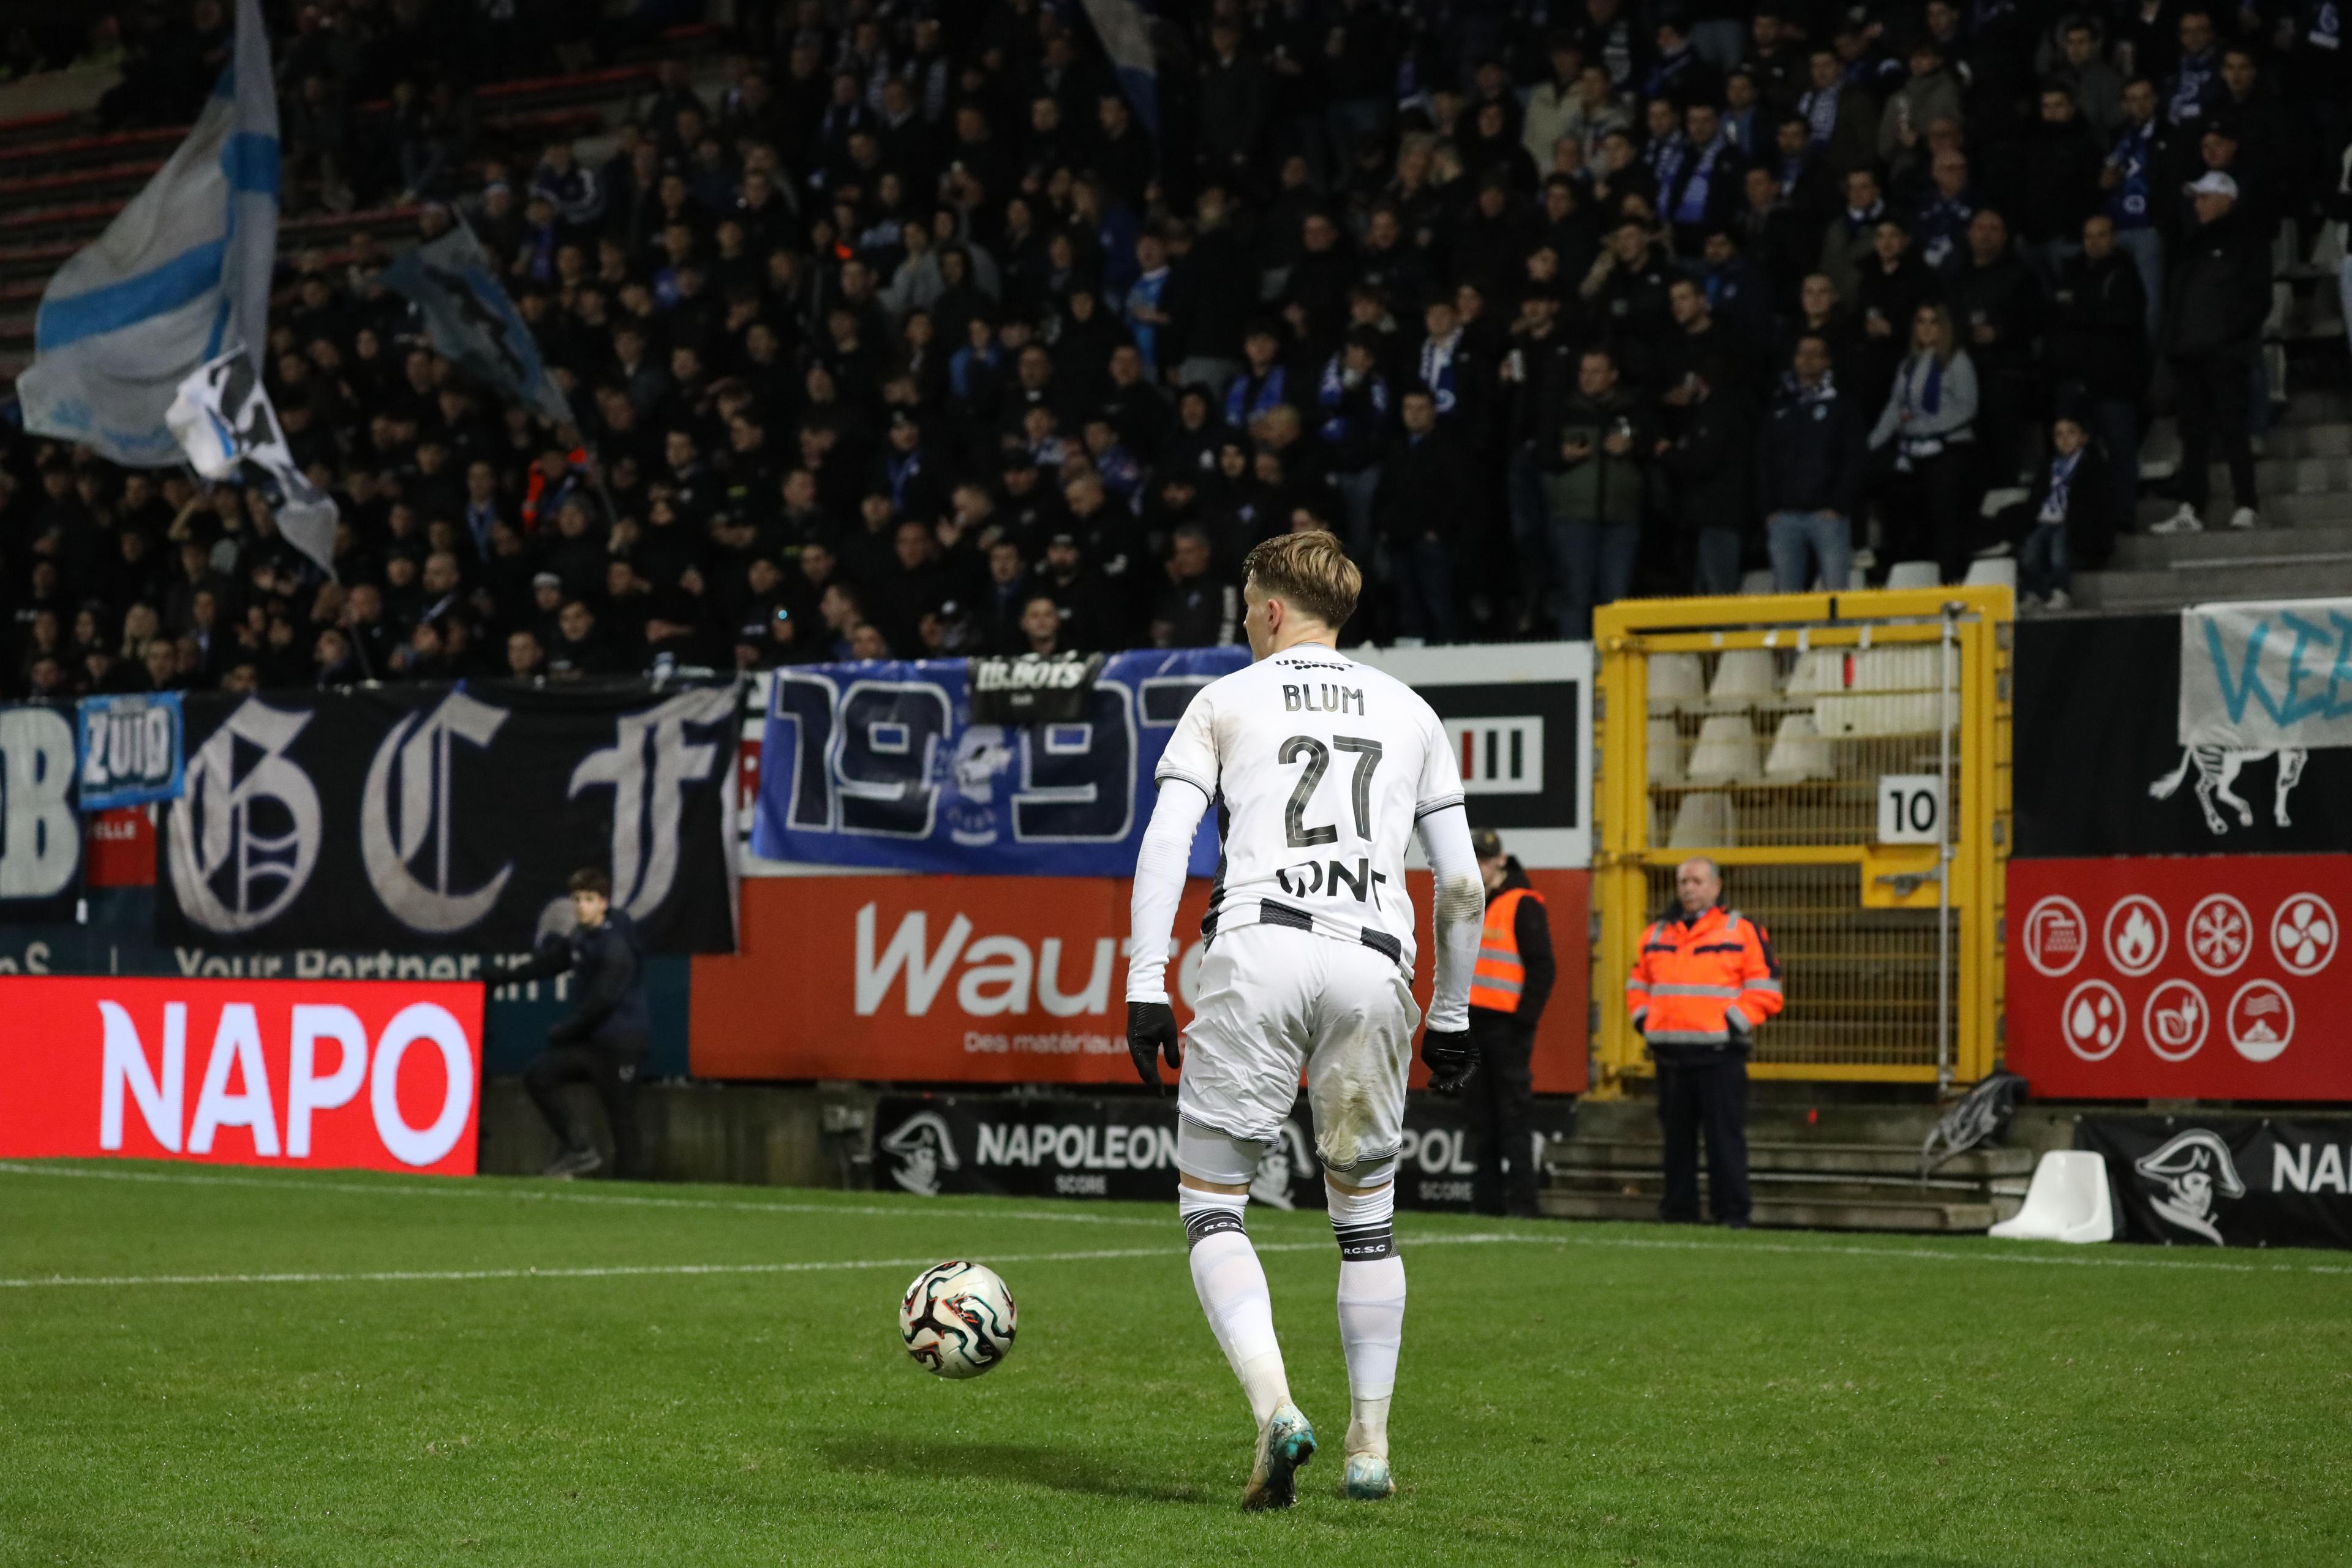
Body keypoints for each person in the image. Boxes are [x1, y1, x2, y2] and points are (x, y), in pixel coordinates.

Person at [1124, 530, 1481, 1509]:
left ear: (1274, 610)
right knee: (1366, 1221)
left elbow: (1166, 845)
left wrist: (1146, 982)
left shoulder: (1225, 700)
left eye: (1247, 605)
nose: (1243, 620)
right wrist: (1449, 1015)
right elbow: (1461, 882)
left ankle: (1277, 1410)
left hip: (1259, 951)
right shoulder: (1410, 710)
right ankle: (1370, 1445)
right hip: (1375, 962)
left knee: (1213, 1204)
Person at [1625, 857, 1782, 1227]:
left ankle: (1732, 1215)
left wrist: (1729, 1025)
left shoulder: (1741, 931)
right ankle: (1679, 1214)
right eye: (1683, 882)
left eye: (1696, 881)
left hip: (1719, 1057)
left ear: (1716, 886)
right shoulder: (1656, 934)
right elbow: (1637, 985)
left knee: (1723, 1143)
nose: (1688, 889)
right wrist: (1645, 1022)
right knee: (1676, 1146)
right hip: (1671, 1058)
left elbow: (1767, 989)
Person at [505, 869, 649, 1178]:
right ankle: (580, 1150)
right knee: (538, 1075)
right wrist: (501, 979)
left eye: (589, 899)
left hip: (622, 1044)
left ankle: (632, 1191)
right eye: (577, 900)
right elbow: (552, 963)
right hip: (592, 1043)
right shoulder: (582, 936)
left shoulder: (616, 945)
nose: (581, 906)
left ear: (604, 903)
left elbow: (603, 1002)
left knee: (622, 1119)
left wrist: (565, 1031)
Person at [2154, 170, 2267, 535]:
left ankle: (2247, 504)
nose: (2198, 205)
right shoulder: (2191, 243)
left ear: (2226, 200)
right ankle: (2191, 507)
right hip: (2188, 354)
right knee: (2193, 434)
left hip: (2224, 353)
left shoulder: (2247, 240)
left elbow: (2258, 298)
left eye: (2205, 197)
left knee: (2234, 429)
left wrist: (2231, 339)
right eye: (2197, 198)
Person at [1464, 828, 1556, 1219]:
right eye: (1474, 858)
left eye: (1485, 859)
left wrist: (1522, 1024)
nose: (1479, 865)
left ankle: (1523, 1202)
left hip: (1505, 1028)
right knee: (1481, 1118)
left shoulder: (1523, 903)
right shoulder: (1469, 901)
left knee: (1513, 1119)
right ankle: (1486, 1203)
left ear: (1501, 860)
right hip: (1474, 1024)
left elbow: (1542, 968)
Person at [1868, 303, 1980, 582]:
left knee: (1946, 518)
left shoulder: (1957, 360)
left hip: (1950, 450)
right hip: (1916, 451)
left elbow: (1966, 407)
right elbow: (1895, 408)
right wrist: (1870, 445)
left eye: (1934, 322)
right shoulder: (1908, 364)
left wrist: (1925, 427)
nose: (1927, 328)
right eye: (1921, 322)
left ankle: (1952, 580)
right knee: (1910, 516)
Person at [1759, 334, 1866, 592]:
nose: (1807, 360)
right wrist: (1769, 508)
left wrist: (1839, 504)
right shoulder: (1779, 406)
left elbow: (1855, 458)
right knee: (1788, 605)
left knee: (1835, 599)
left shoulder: (1842, 406)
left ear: (1828, 362)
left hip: (1827, 516)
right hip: (1784, 517)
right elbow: (1764, 458)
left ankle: (1839, 635)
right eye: (1802, 353)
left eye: (1815, 354)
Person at [2015, 414, 2113, 612]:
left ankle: (2061, 591)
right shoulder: (2049, 466)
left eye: (2071, 433)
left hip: (2072, 522)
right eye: (2059, 434)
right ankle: (2035, 593)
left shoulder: (2092, 465)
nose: (2065, 439)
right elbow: (2036, 497)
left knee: (2059, 553)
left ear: (2084, 437)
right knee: (2030, 554)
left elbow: (2097, 504)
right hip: (2046, 519)